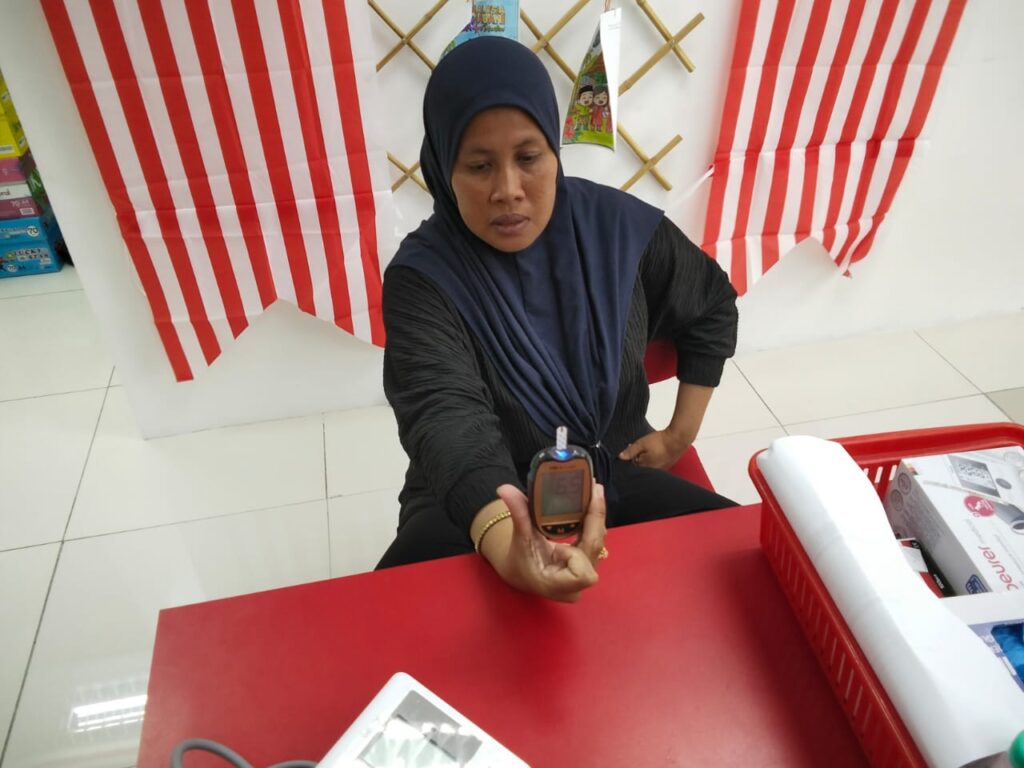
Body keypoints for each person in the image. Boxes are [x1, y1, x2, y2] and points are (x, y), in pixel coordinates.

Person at [376, 37, 738, 602]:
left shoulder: (617, 233)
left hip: (607, 477)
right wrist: (509, 543)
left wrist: (678, 435)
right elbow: (447, 420)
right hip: (473, 499)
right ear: (444, 167)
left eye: (528, 157)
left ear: (554, 148)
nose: (508, 191)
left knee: (741, 564)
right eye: (478, 166)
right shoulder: (423, 278)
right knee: (395, 621)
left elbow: (710, 302)